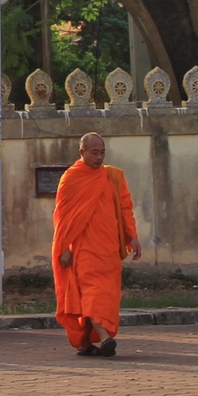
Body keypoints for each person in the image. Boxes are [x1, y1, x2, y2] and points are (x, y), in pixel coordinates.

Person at [51, 131, 140, 357]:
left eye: (102, 153)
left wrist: (132, 236)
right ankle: (105, 338)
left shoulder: (112, 176)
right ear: (82, 152)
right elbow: (63, 218)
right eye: (94, 153)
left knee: (104, 293)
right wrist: (64, 248)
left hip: (109, 248)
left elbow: (125, 208)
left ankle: (83, 343)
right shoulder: (71, 178)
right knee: (92, 291)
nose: (99, 157)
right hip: (84, 248)